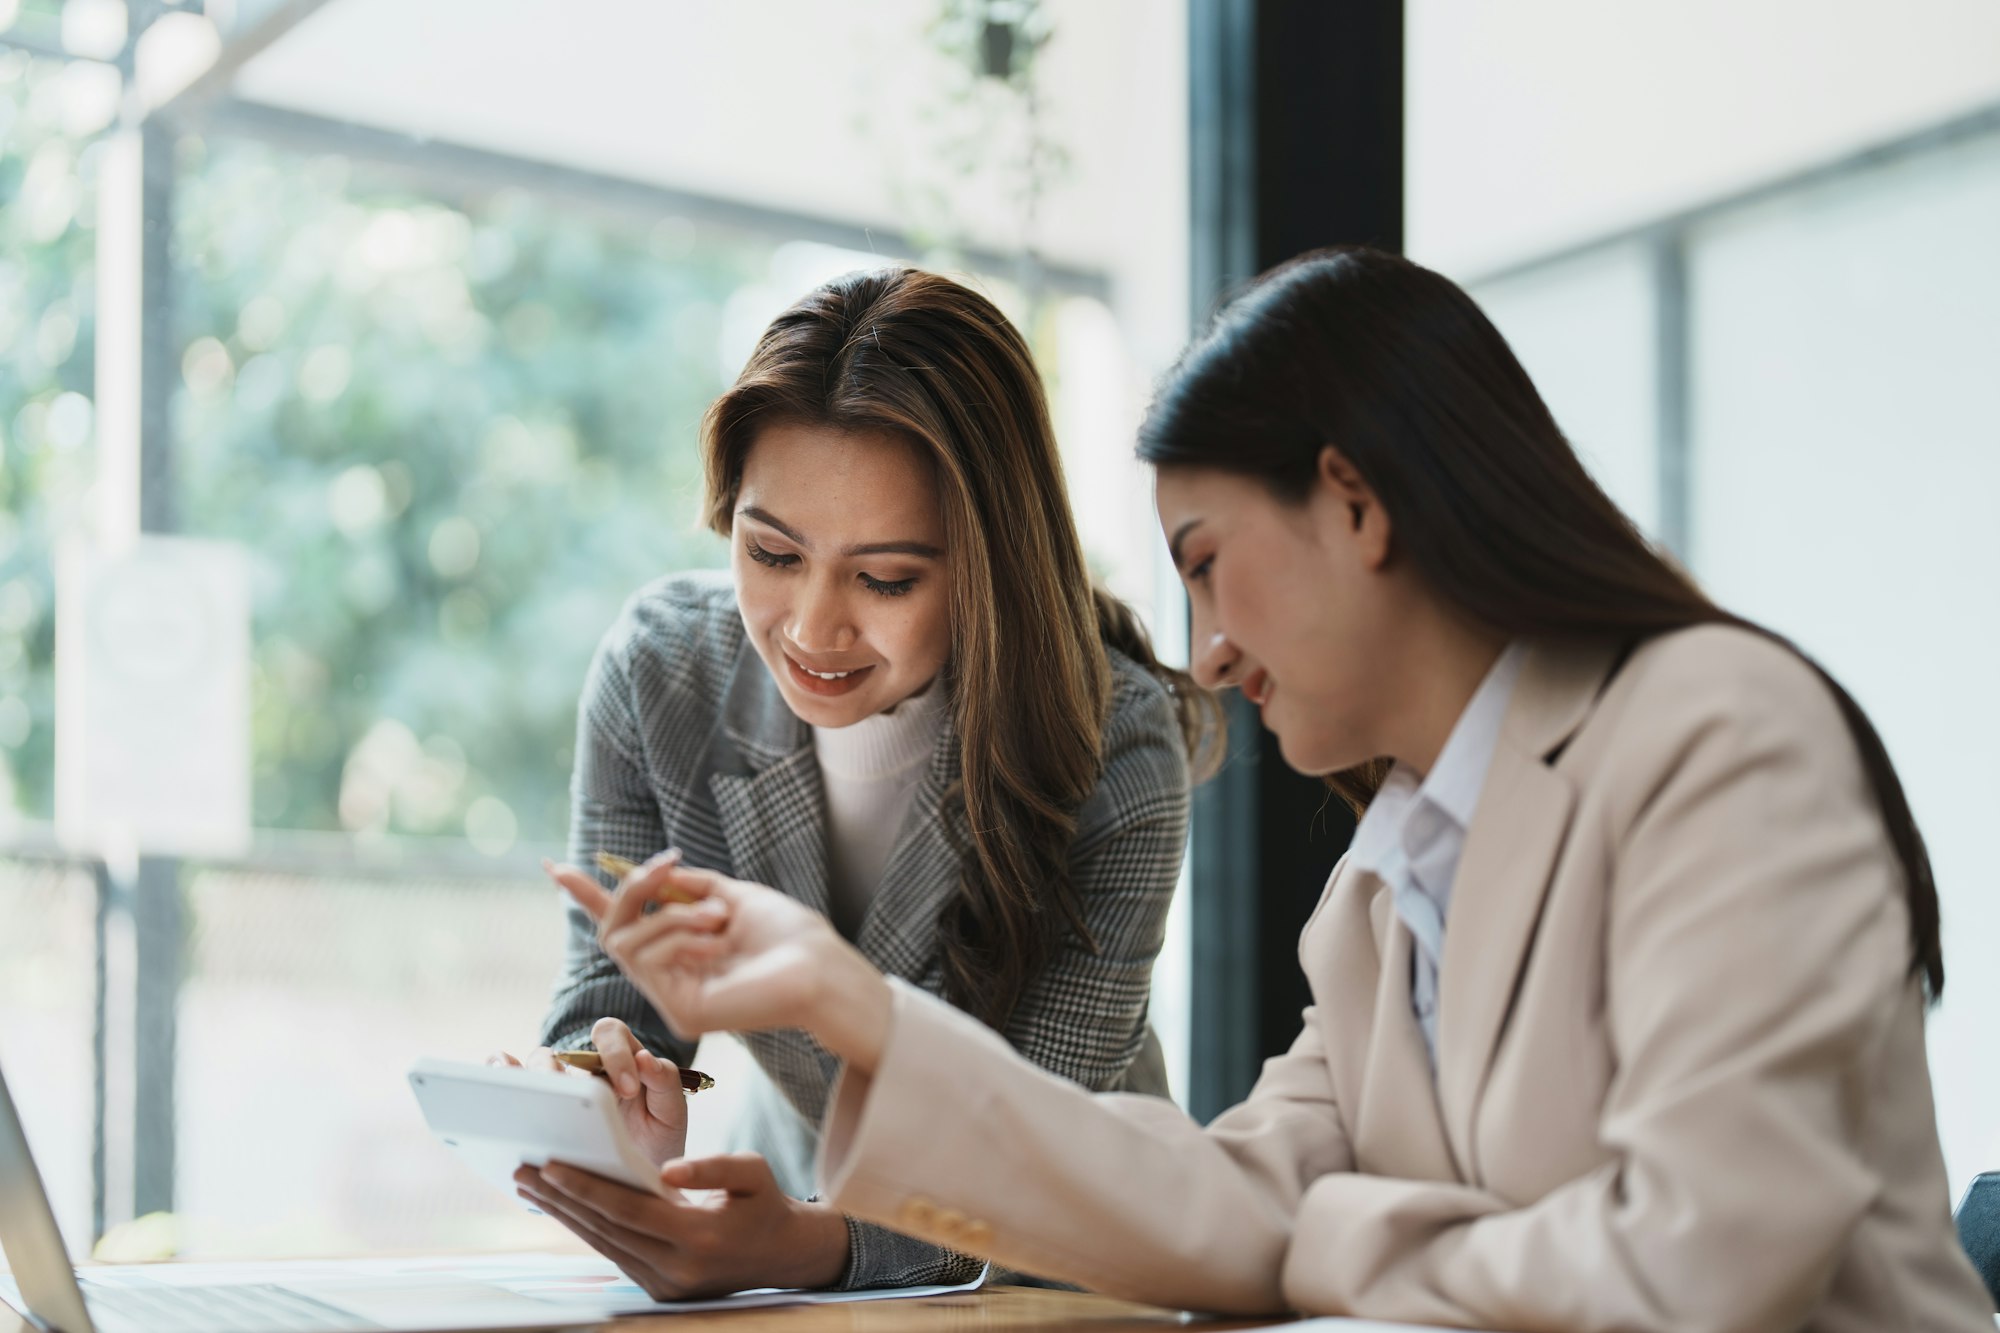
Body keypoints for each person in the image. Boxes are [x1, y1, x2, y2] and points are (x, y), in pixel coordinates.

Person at [552, 247, 1996, 1329]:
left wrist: (1337, 1244)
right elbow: (1229, 1196)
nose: (1208, 651)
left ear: (1353, 506)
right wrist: (848, 1007)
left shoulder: (1719, 731)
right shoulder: (1391, 871)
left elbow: (1701, 1265)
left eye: (1205, 564)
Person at [502, 267, 1213, 1300]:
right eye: (771, 552)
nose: (810, 628)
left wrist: (815, 1244)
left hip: (1059, 1264)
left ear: (989, 563)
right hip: (780, 1214)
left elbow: (1040, 1154)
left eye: (884, 578)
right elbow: (613, 996)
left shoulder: (1111, 746)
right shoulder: (662, 677)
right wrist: (609, 1086)